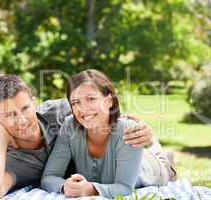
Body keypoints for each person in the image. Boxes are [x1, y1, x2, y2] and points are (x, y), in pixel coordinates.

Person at [0, 74, 159, 198]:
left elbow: (110, 116)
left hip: (133, 164)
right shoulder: (13, 159)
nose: (21, 120)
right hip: (97, 174)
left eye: (25, 109)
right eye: (9, 115)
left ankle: (159, 154)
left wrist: (144, 131)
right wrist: (0, 135)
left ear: (34, 103)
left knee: (154, 161)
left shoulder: (61, 111)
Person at [41, 69, 175, 198]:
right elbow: (49, 177)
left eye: (91, 99)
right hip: (131, 155)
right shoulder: (69, 127)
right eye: (75, 102)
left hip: (153, 169)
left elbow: (124, 188)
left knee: (162, 162)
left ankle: (161, 153)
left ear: (110, 101)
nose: (83, 109)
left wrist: (91, 189)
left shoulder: (127, 130)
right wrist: (65, 186)